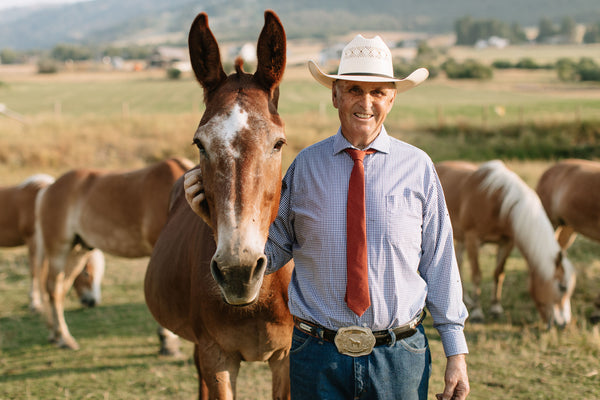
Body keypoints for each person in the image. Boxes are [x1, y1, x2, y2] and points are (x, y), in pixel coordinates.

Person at [186, 34, 469, 400]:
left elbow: (441, 262)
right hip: (317, 357)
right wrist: (214, 223)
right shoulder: (304, 168)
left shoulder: (418, 168)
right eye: (353, 90)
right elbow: (271, 252)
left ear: (392, 98)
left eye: (378, 92)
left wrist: (456, 352)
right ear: (335, 95)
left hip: (399, 356)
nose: (366, 103)